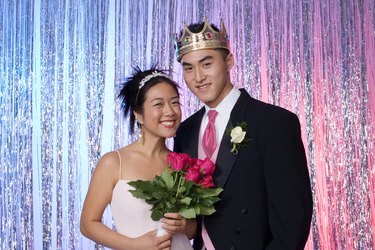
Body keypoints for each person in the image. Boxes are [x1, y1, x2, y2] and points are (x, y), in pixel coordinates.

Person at [173, 18, 313, 249]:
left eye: (206, 64)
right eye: (188, 68)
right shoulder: (185, 131)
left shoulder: (273, 122)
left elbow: (292, 221)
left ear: (229, 61)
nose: (198, 77)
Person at [80, 66, 197, 250]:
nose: (170, 112)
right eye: (158, 104)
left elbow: (191, 229)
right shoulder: (113, 162)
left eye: (174, 103)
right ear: (138, 114)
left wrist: (186, 225)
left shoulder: (182, 164)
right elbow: (88, 224)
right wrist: (134, 245)